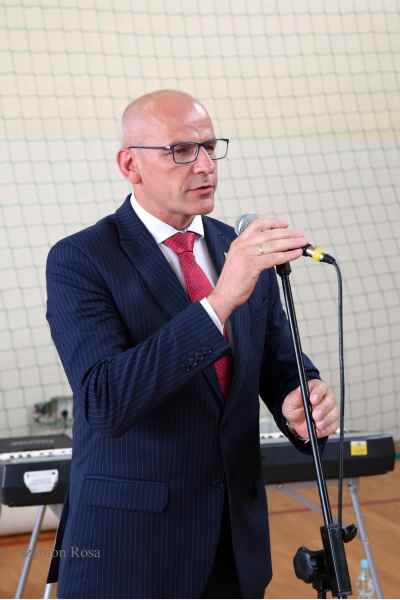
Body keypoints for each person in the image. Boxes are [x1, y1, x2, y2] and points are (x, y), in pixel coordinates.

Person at [45, 89, 338, 599]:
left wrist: (300, 396)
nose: (204, 165)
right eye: (181, 150)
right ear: (130, 165)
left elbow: (277, 361)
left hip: (234, 545)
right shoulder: (80, 259)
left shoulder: (238, 248)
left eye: (209, 146)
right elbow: (105, 400)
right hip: (129, 549)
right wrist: (219, 302)